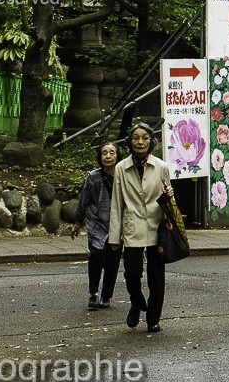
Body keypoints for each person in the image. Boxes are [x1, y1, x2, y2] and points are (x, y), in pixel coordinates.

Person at [107, 123, 174, 332]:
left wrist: (170, 199)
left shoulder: (161, 167)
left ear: (151, 141)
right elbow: (117, 203)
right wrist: (114, 237)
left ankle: (153, 318)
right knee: (132, 274)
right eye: (136, 137)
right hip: (132, 225)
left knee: (156, 276)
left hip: (156, 226)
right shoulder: (121, 168)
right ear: (130, 141)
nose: (140, 142)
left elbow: (168, 199)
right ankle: (136, 303)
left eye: (145, 137)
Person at [70, 141, 121, 310]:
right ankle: (93, 293)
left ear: (117, 156)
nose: (108, 156)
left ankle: (107, 295)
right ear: (99, 157)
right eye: (104, 153)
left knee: (113, 262)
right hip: (96, 224)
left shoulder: (124, 175)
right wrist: (78, 223)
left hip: (116, 224)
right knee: (97, 258)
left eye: (111, 153)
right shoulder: (93, 177)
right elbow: (84, 201)